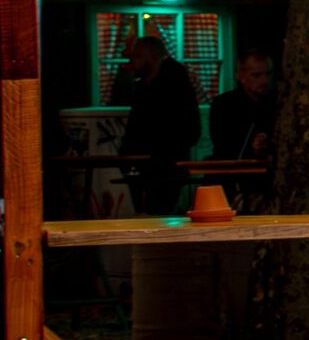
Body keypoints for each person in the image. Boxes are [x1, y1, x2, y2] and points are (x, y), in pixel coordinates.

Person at [111, 33, 202, 215]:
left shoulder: (167, 86)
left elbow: (186, 128)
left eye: (136, 56)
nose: (132, 62)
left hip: (160, 166)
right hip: (154, 165)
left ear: (150, 56)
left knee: (157, 213)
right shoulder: (159, 84)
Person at [207, 51, 277, 164]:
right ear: (241, 76)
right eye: (256, 75)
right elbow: (223, 144)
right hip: (232, 172)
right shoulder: (224, 104)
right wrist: (252, 145)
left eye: (268, 74)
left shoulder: (278, 103)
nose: (265, 81)